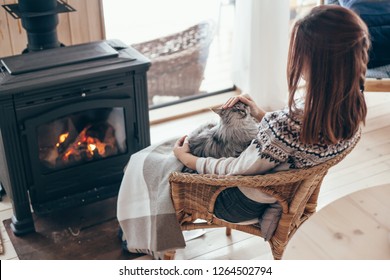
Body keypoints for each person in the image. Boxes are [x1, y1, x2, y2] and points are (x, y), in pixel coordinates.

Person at [173, 5, 369, 224]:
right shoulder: (352, 108)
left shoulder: (286, 125)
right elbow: (294, 138)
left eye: (298, 49)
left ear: (314, 62)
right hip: (288, 195)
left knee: (164, 169)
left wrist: (189, 160)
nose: (293, 54)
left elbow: (237, 170)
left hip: (239, 203)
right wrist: (260, 114)